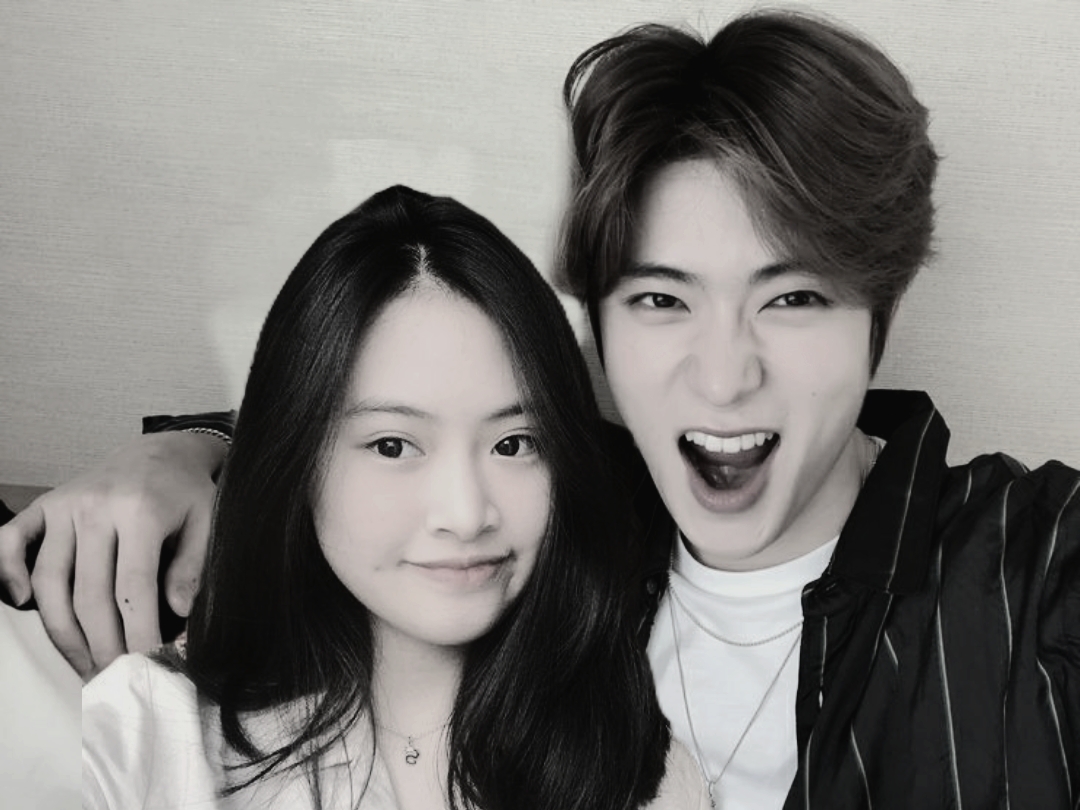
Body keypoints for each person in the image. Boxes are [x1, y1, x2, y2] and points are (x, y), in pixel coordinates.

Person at [1, 7, 1078, 809]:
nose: (723, 377)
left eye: (791, 299)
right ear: (594, 328)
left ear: (881, 305)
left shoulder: (1037, 574)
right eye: (661, 300)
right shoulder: (555, 512)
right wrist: (191, 453)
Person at [81, 185, 705, 809]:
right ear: (298, 458)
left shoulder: (645, 777)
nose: (465, 516)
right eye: (393, 446)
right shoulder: (147, 729)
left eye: (514, 444)